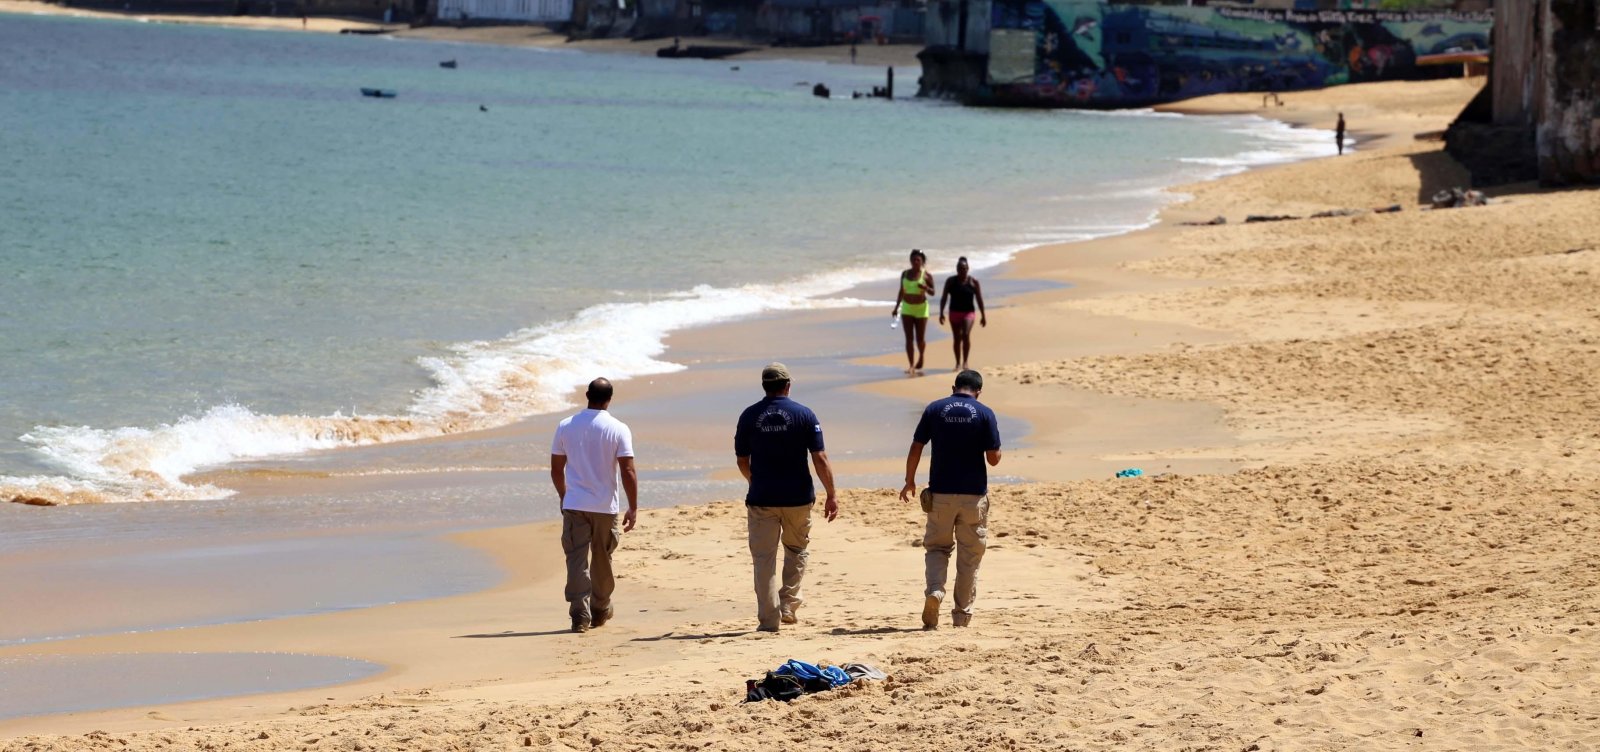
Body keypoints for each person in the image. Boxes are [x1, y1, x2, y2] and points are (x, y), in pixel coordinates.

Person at [735, 362, 838, 633]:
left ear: (764, 386)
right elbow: (819, 457)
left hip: (762, 498)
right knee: (796, 550)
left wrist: (753, 481)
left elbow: (742, 460)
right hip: (798, 497)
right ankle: (788, 605)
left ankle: (769, 619)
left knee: (763, 559)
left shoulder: (749, 415)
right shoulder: (804, 414)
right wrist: (831, 494)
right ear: (788, 386)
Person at [899, 369, 1002, 630]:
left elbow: (917, 446)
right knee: (969, 557)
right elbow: (993, 459)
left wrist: (909, 480)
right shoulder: (985, 413)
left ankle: (935, 591)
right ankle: (961, 616)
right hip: (973, 495)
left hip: (941, 493)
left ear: (954, 387)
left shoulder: (935, 409)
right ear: (978, 392)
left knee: (937, 548)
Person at [550, 378, 639, 634]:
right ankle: (600, 608)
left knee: (576, 558)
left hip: (575, 504)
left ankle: (580, 614)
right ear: (610, 399)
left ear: (587, 395)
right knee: (603, 558)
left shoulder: (565, 425)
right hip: (605, 506)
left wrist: (564, 495)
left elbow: (556, 469)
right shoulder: (618, 428)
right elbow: (628, 470)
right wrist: (633, 506)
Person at [938, 256, 987, 371]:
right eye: (960, 268)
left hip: (968, 313)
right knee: (957, 338)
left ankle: (965, 362)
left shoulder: (973, 282)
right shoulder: (950, 281)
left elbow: (979, 299)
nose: (962, 270)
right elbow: (944, 297)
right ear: (957, 269)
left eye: (964, 268)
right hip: (954, 312)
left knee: (965, 334)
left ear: (968, 269)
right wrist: (941, 313)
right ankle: (957, 363)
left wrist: (983, 315)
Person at [892, 249, 935, 376]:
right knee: (909, 338)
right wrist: (896, 307)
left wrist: (926, 287)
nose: (916, 262)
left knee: (920, 339)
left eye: (918, 260)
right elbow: (901, 291)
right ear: (910, 260)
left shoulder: (926, 275)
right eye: (913, 259)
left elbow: (933, 292)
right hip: (907, 308)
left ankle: (921, 355)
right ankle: (911, 365)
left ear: (922, 261)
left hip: (921, 308)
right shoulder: (905, 274)